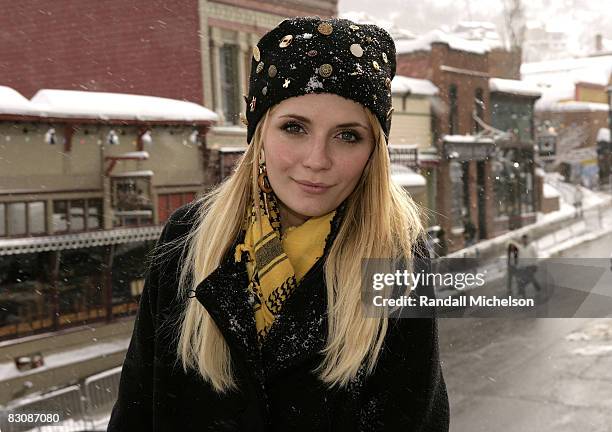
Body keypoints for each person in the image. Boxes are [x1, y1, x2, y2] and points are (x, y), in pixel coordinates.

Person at [108, 17, 449, 431]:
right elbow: (137, 409)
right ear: (260, 133)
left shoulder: (396, 262)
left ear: (373, 151)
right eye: (294, 127)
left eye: (347, 136)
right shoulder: (188, 238)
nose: (316, 160)